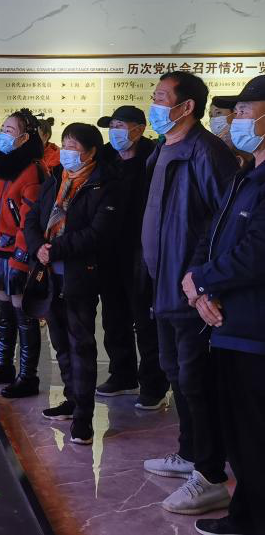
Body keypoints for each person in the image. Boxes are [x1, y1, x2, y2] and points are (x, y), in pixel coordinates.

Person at [140, 71, 236, 516]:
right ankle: (190, 452)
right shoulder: (164, 148)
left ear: (186, 107)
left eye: (162, 97)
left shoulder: (207, 151)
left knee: (196, 380)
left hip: (190, 288)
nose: (155, 104)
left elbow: (223, 222)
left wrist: (203, 279)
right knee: (175, 372)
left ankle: (211, 475)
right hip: (163, 284)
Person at [184, 75, 265, 535]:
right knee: (240, 431)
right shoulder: (245, 175)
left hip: (255, 328)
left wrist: (203, 279)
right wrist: (197, 285)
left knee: (254, 432)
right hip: (228, 323)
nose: (235, 120)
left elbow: (256, 253)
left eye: (246, 111)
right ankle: (245, 513)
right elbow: (211, 236)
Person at [24, 123, 119, 445]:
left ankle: (84, 417)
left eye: (73, 147)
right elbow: (33, 217)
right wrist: (38, 246)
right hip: (48, 272)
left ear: (91, 152)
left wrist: (56, 248)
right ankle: (71, 399)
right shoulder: (56, 179)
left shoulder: (103, 184)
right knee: (60, 341)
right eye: (64, 145)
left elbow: (98, 233)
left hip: (80, 274)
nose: (66, 152)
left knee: (81, 345)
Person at [0, 109, 48, 398]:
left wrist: (21, 259)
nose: (3, 134)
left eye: (10, 131)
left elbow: (30, 220)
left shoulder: (32, 170)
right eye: (2, 129)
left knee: (23, 315)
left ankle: (28, 376)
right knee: (3, 314)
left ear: (25, 138)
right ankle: (3, 366)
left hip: (18, 254)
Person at [95, 106, 169, 410]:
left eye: (120, 126)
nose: (115, 132)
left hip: (141, 248)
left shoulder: (154, 159)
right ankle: (122, 374)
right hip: (109, 247)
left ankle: (153, 384)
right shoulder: (105, 158)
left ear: (138, 129)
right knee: (113, 316)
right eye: (111, 126)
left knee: (145, 319)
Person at [208, 96, 252, 168]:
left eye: (218, 113)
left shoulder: (250, 138)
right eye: (211, 115)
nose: (213, 119)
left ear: (235, 114)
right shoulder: (212, 144)